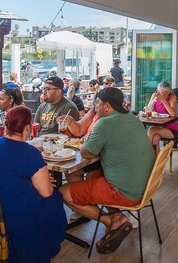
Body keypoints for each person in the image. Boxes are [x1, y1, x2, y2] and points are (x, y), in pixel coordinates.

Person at [0, 106, 66, 263]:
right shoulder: (29, 153)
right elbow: (46, 193)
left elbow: (7, 175)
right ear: (29, 127)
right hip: (9, 215)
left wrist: (37, 180)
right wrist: (45, 182)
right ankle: (44, 248)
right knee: (54, 199)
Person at [59, 87, 155, 254]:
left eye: (98, 104)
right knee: (90, 175)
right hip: (143, 185)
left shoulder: (105, 123)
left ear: (108, 106)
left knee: (62, 192)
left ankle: (109, 220)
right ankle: (117, 217)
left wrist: (91, 139)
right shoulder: (133, 118)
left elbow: (86, 152)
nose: (96, 107)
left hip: (124, 191)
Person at [146, 81, 178, 153]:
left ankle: (147, 154)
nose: (163, 96)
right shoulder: (154, 95)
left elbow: (173, 114)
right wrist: (152, 103)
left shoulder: (172, 97)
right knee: (155, 138)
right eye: (161, 93)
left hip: (171, 129)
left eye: (165, 94)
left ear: (169, 92)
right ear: (158, 91)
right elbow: (147, 110)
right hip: (159, 126)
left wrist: (163, 101)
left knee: (151, 130)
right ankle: (157, 162)